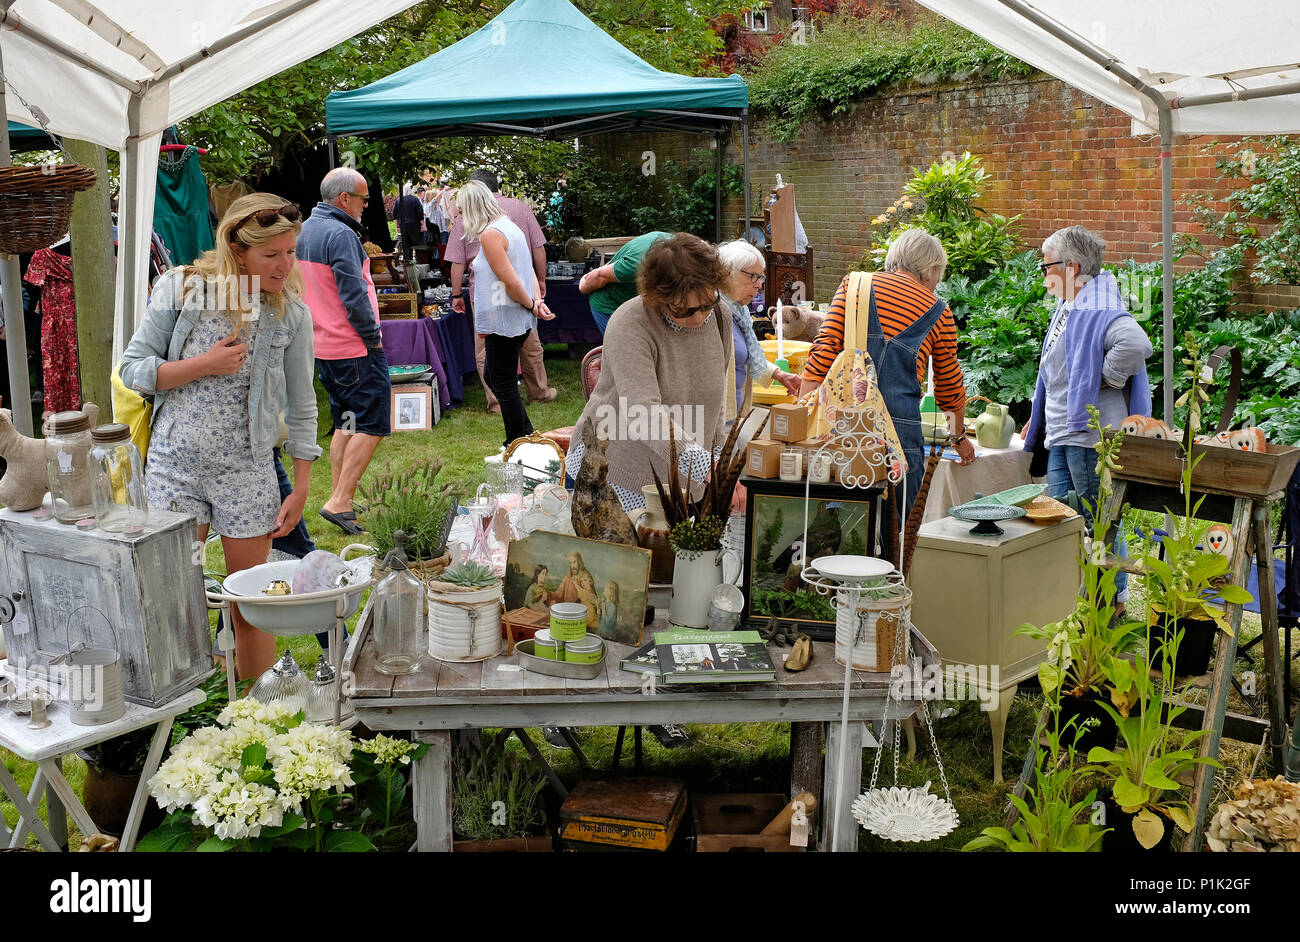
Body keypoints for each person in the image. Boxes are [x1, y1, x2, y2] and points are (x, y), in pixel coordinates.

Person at [120, 193, 319, 680]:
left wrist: (302, 486)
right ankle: (184, 719)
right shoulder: (180, 290)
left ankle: (256, 720)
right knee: (175, 601)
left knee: (250, 604)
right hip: (174, 469)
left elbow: (303, 404)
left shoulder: (289, 314)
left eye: (291, 252)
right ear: (236, 247)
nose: (284, 264)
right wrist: (201, 366)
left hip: (246, 471)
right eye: (271, 254)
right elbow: (132, 370)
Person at [800, 228, 975, 512]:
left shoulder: (853, 285)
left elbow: (825, 347)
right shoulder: (939, 311)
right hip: (901, 432)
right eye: (937, 276)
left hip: (845, 422)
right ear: (930, 269)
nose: (935, 284)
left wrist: (802, 408)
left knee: (842, 517)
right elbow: (949, 386)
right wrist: (958, 438)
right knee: (897, 532)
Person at [1024, 225, 1152, 612]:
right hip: (1065, 431)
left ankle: (1108, 603)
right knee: (1078, 521)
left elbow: (1136, 344)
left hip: (1089, 436)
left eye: (1047, 267)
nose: (1044, 275)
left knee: (1097, 521)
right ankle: (1088, 600)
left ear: (1071, 266)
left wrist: (1105, 378)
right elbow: (1058, 369)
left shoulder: (1097, 307)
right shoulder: (1073, 305)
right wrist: (1041, 416)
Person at [567, 233, 736, 512]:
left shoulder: (721, 317)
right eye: (686, 310)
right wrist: (704, 465)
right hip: (614, 476)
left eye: (707, 303)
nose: (699, 317)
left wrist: (718, 460)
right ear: (658, 296)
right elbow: (643, 413)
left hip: (685, 479)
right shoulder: (630, 323)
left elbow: (716, 403)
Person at [297, 167, 389, 536]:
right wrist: (374, 338)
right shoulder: (341, 233)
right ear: (344, 199)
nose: (367, 205)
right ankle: (340, 500)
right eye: (364, 198)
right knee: (374, 422)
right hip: (352, 346)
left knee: (346, 422)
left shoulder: (304, 229)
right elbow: (354, 296)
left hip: (324, 345)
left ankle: (341, 498)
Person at [446, 169, 556, 413]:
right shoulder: (519, 208)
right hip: (521, 284)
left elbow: (457, 261)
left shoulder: (468, 214)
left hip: (486, 291)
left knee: (486, 345)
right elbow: (538, 248)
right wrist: (540, 280)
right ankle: (539, 392)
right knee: (528, 338)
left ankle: (497, 400)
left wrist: (456, 294)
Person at [717, 239, 801, 414]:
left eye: (760, 277)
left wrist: (778, 374)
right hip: (716, 421)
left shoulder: (741, 313)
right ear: (727, 273)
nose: (759, 284)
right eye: (752, 276)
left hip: (735, 419)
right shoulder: (710, 313)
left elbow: (746, 354)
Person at [578, 231, 669, 334]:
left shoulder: (682, 248)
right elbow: (599, 277)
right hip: (610, 304)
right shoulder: (636, 265)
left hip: (639, 304)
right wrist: (583, 283)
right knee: (625, 346)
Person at [391, 184, 425, 261]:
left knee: (406, 246)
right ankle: (419, 261)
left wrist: (397, 226)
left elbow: (394, 214)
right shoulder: (415, 200)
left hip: (403, 226)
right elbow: (420, 213)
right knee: (418, 245)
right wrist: (423, 225)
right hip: (414, 225)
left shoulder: (399, 200)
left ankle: (407, 264)